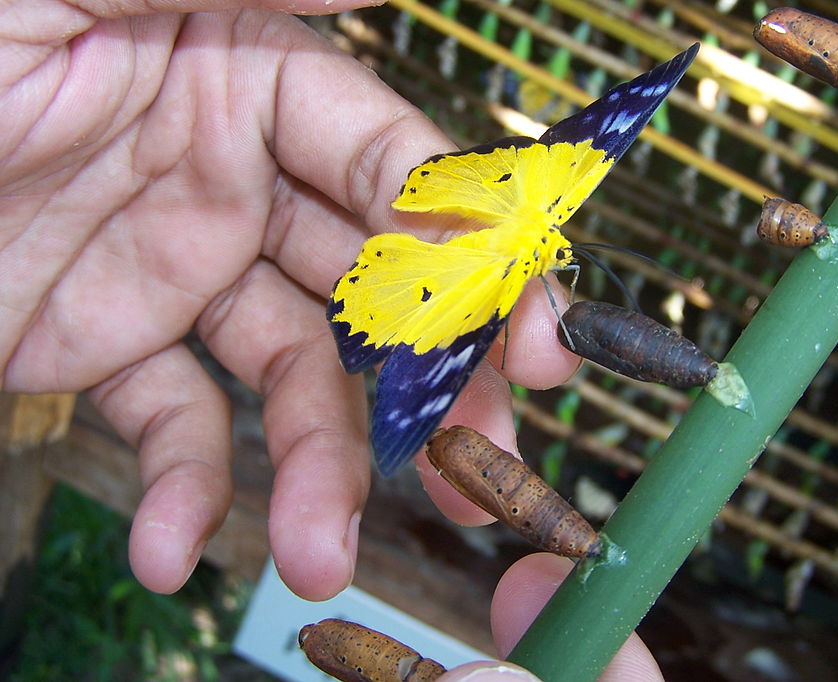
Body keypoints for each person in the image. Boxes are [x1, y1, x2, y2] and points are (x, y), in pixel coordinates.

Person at [1, 2, 662, 679]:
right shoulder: (522, 273)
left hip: (479, 190)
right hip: (460, 249)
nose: (557, 263)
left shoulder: (539, 222)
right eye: (556, 259)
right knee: (508, 335)